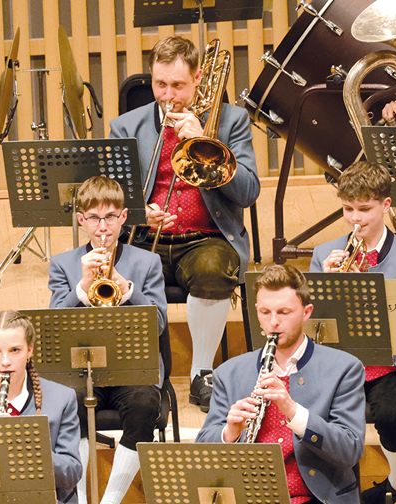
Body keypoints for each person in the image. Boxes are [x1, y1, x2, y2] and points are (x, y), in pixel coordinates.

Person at [108, 35, 260, 412]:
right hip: (147, 240)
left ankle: (201, 373)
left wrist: (206, 141)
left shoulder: (232, 121)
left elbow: (249, 192)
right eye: (160, 84)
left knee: (212, 271)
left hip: (206, 239)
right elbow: (109, 198)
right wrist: (141, 214)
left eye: (178, 85)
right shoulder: (126, 125)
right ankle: (147, 378)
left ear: (198, 79)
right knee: (118, 279)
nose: (168, 94)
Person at [310, 161, 396, 504]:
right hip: (340, 363)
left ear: (386, 205)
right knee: (307, 415)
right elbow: (311, 326)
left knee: (392, 416)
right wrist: (327, 285)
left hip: (393, 362)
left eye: (364, 209)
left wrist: (365, 291)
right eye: (347, 209)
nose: (355, 219)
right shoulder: (323, 254)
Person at [197, 265, 365, 504]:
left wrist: (294, 412)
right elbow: (203, 449)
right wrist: (230, 432)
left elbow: (349, 451)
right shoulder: (229, 373)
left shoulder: (344, 368)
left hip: (315, 499)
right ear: (256, 310)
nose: (273, 322)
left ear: (306, 312)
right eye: (265, 312)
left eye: (284, 312)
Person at [47, 175, 167, 504]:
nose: (103, 227)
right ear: (81, 220)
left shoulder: (147, 263)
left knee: (144, 405)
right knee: (67, 403)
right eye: (95, 218)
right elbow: (53, 327)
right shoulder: (63, 264)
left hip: (134, 368)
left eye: (111, 217)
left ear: (124, 217)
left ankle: (110, 500)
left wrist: (125, 287)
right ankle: (83, 498)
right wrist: (83, 287)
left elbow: (157, 324)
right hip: (84, 370)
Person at [0, 310, 82, 503]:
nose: (5, 362)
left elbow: (71, 473)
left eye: (15, 350)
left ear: (30, 350)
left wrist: (23, 442)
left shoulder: (62, 398)